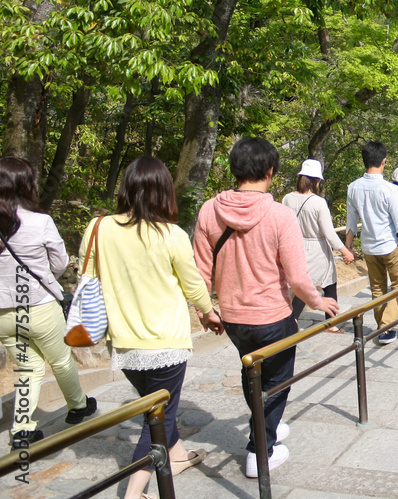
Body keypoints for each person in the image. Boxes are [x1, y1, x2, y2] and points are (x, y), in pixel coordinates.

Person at [194, 138, 340, 478]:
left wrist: (205, 310)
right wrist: (319, 301)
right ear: (271, 171)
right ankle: (260, 450)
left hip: (232, 317)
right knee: (276, 380)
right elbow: (298, 276)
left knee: (252, 371)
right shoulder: (279, 215)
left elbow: (199, 270)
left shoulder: (208, 211)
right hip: (273, 315)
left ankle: (266, 425)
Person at [82, 157, 224, 498]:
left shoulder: (98, 227)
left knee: (157, 405)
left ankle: (176, 457)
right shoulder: (171, 234)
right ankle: (133, 492)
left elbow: (88, 279)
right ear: (164, 191)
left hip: (125, 343)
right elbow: (192, 285)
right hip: (166, 342)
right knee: (155, 417)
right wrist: (209, 313)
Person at [0, 157, 96, 445]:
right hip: (40, 306)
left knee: (28, 367)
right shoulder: (40, 222)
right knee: (60, 360)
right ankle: (78, 406)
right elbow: (60, 263)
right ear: (26, 186)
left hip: (3, 313)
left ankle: (22, 429)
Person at [345, 141, 398, 344]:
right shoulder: (390, 189)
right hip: (390, 246)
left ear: (364, 161)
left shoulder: (353, 188)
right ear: (384, 161)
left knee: (377, 287)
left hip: (369, 247)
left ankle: (382, 327)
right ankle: (386, 327)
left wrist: (349, 247)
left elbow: (351, 222)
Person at [281, 159, 356, 332]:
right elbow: (329, 233)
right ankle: (293, 321)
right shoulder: (318, 202)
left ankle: (331, 322)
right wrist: (346, 251)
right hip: (317, 248)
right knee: (309, 284)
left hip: (295, 245)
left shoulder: (287, 199)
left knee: (328, 283)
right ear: (317, 180)